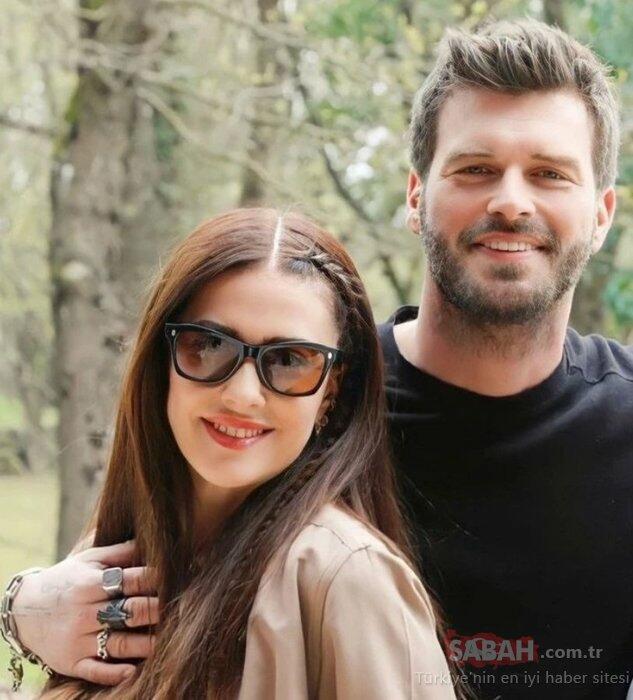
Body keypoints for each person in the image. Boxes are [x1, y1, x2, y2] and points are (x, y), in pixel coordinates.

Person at [5, 16, 633, 700]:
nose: (510, 201)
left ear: (602, 214)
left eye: (549, 174)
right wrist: (22, 610)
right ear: (416, 196)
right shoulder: (299, 399)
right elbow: (120, 570)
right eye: (474, 168)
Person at [2, 208, 457, 699]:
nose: (242, 395)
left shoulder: (346, 578)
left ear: (331, 390)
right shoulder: (119, 554)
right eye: (209, 345)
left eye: (290, 360)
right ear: (162, 359)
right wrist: (19, 611)